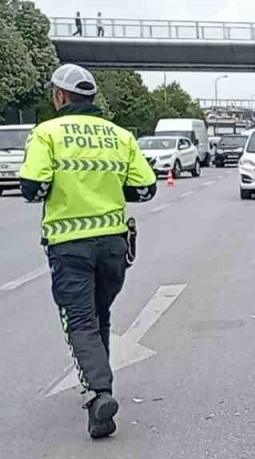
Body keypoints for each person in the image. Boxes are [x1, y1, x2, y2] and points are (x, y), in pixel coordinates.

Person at [19, 64, 157, 439]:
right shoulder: (120, 135)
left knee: (79, 321)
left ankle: (99, 393)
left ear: (60, 96)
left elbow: (32, 187)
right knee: (100, 315)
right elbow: (146, 188)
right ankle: (101, 382)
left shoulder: (46, 133)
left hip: (69, 245)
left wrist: (60, 187)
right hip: (115, 244)